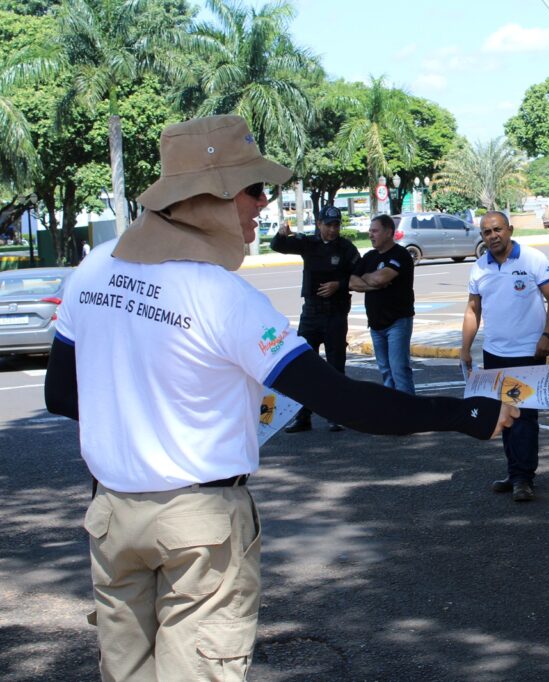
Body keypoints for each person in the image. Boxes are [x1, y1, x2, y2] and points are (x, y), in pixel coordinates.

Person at [43, 115, 517, 681]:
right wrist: (464, 413)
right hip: (199, 528)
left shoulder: (93, 272)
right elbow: (343, 402)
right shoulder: (224, 297)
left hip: (112, 517)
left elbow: (61, 394)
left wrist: (141, 411)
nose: (264, 202)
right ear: (209, 197)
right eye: (253, 188)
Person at [460, 211, 549, 502]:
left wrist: (548, 335)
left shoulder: (533, 259)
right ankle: (514, 471)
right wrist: (465, 347)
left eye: (497, 230)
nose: (492, 236)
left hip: (528, 353)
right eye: (486, 232)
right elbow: (472, 310)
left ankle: (523, 478)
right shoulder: (479, 268)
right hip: (496, 354)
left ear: (510, 230)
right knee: (504, 416)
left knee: (525, 417)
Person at [271, 205, 360, 432]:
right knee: (304, 366)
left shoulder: (346, 248)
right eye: (328, 224)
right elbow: (278, 246)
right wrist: (282, 233)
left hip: (335, 314)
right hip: (311, 313)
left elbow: (359, 275)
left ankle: (335, 415)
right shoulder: (309, 244)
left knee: (335, 367)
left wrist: (338, 285)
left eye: (336, 225)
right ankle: (303, 416)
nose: (332, 229)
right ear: (319, 223)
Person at [349, 214, 416, 394]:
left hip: (397, 322)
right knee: (386, 372)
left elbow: (381, 278)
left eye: (375, 231)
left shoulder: (400, 255)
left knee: (399, 370)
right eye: (370, 231)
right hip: (376, 324)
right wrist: (373, 284)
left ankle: (410, 415)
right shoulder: (369, 256)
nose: (371, 235)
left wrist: (369, 280)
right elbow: (352, 282)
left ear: (388, 232)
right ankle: (392, 413)